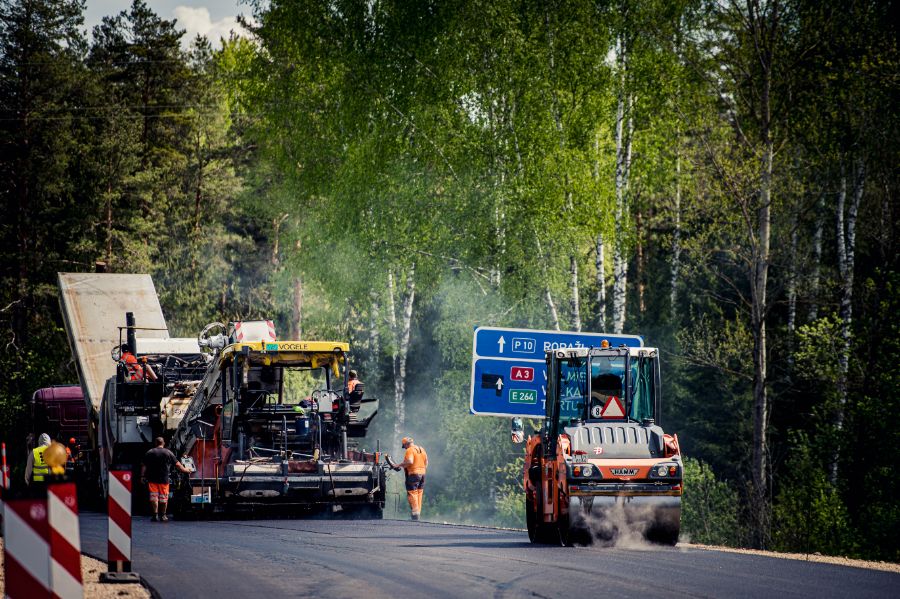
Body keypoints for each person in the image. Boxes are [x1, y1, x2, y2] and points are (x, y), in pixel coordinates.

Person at [141, 437, 191, 522]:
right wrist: (186, 470)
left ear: (155, 443)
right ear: (163, 443)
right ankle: (163, 516)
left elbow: (144, 466)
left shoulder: (149, 452)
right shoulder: (168, 452)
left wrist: (142, 476)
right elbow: (178, 465)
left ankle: (155, 515)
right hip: (164, 479)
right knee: (164, 498)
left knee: (154, 498)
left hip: (152, 479)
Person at [392, 436, 428, 521]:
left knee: (412, 493)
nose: (405, 448)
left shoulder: (410, 450)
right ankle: (417, 514)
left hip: (413, 474)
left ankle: (415, 515)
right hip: (422, 474)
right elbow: (426, 462)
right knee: (419, 493)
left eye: (404, 446)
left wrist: (398, 465)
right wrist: (422, 470)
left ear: (406, 444)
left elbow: (410, 461)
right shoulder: (421, 449)